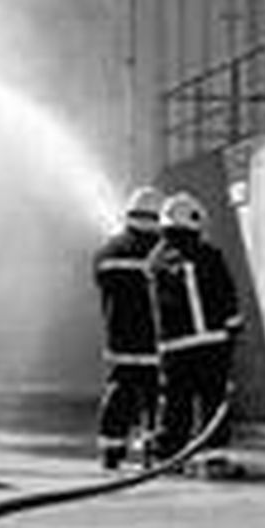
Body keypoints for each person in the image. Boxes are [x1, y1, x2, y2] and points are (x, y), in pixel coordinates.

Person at [146, 191, 242, 466]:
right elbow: (225, 293)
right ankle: (213, 458)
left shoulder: (156, 260)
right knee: (212, 399)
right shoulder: (208, 254)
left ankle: (168, 455)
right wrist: (234, 325)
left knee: (176, 403)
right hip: (211, 343)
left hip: (173, 348)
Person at [92, 185, 165, 471]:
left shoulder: (107, 251)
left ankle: (111, 451)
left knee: (119, 392)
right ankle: (152, 452)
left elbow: (100, 284)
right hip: (155, 341)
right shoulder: (163, 253)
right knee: (155, 398)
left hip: (120, 340)